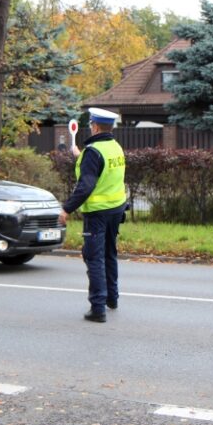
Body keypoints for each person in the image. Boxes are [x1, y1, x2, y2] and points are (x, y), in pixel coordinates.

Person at [58, 107, 127, 323]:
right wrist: (80, 156)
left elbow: (86, 185)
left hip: (97, 214)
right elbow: (100, 169)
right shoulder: (114, 147)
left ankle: (98, 309)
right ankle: (112, 299)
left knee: (94, 258)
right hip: (116, 209)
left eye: (91, 125)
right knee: (109, 254)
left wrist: (66, 208)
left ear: (95, 126)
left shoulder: (93, 152)